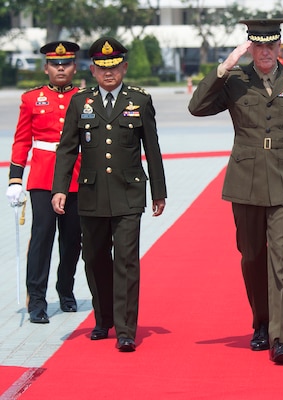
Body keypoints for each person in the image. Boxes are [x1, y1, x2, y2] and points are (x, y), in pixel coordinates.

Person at [188, 18, 283, 365]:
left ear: (279, 47)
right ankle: (261, 322)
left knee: (282, 257)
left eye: (271, 46)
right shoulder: (235, 81)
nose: (265, 52)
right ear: (250, 47)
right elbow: (197, 107)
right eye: (258, 46)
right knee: (251, 256)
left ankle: (281, 338)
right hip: (245, 180)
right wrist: (224, 66)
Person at [51, 37, 167, 352]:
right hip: (91, 194)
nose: (109, 73)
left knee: (127, 261)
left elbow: (152, 149)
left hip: (129, 193)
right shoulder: (81, 102)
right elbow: (66, 150)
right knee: (95, 258)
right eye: (103, 68)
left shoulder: (139, 100)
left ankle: (127, 329)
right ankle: (103, 320)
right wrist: (60, 188)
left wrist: (159, 191)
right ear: (92, 70)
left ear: (124, 68)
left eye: (114, 67)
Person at [6, 41, 82, 324]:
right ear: (46, 67)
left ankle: (65, 290)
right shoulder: (31, 99)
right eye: (55, 64)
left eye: (66, 63)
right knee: (42, 238)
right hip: (44, 178)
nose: (60, 68)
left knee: (73, 240)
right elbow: (22, 140)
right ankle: (37, 299)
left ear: (75, 67)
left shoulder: (85, 97)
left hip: (77, 177)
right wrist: (15, 179)